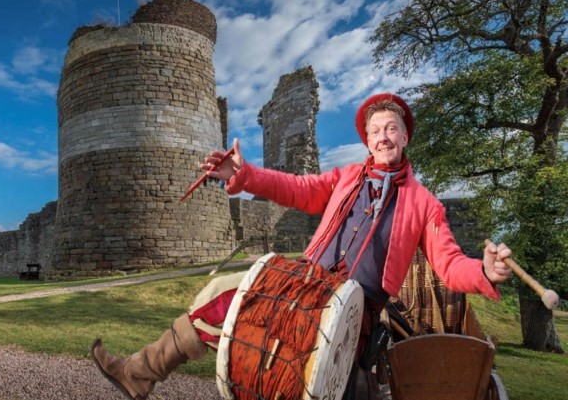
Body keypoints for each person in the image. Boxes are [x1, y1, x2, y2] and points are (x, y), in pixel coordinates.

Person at [92, 92, 513, 400]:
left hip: (356, 308)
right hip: (306, 283)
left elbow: (450, 264)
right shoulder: (346, 177)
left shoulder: (425, 204)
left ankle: (139, 374)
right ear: (367, 140)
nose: (383, 137)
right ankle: (139, 373)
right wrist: (246, 175)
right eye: (376, 131)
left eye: (391, 129)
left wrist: (484, 271)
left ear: (404, 137)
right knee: (220, 300)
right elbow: (297, 188)